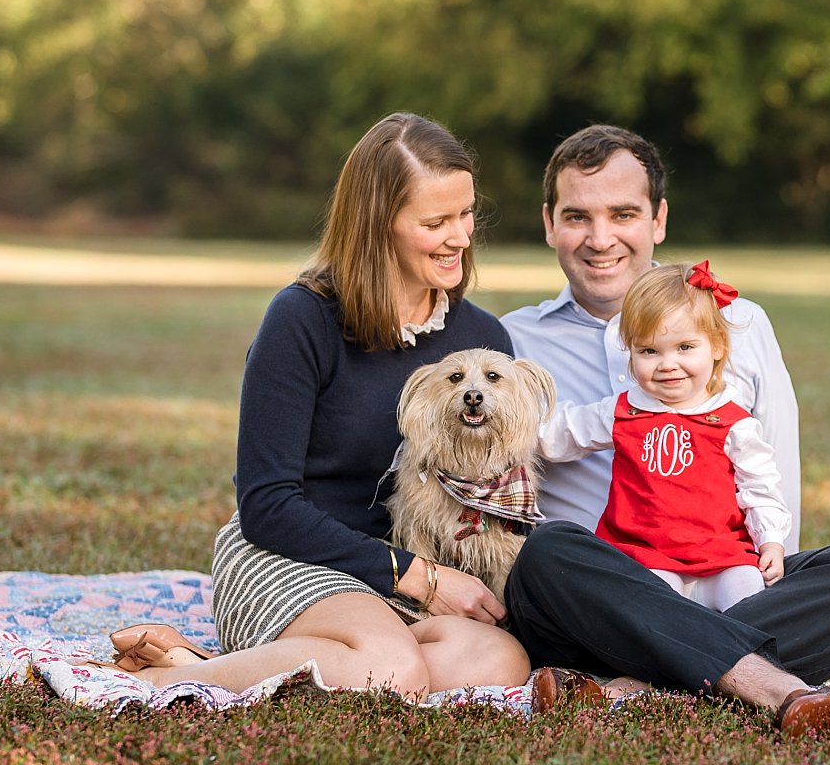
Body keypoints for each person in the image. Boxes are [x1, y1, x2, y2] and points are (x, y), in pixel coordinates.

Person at [104, 112, 530, 699]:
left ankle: (288, 662)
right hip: (290, 554)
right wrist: (419, 576)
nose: (461, 237)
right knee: (395, 669)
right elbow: (267, 504)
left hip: (403, 574)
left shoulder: (481, 341)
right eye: (437, 222)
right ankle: (177, 675)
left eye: (466, 213)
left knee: (498, 661)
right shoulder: (302, 320)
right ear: (378, 225)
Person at [502, 125, 830, 736]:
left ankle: (634, 686)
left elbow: (772, 465)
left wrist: (769, 557)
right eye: (577, 216)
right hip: (600, 594)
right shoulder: (513, 342)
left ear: (659, 218)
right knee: (546, 552)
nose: (600, 238)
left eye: (623, 213)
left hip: (725, 571)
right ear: (548, 223)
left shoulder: (740, 323)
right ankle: (768, 683)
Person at [537, 260, 792, 613]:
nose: (667, 363)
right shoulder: (624, 411)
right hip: (646, 555)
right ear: (631, 352)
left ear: (717, 346)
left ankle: (743, 657)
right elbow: (562, 433)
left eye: (685, 347)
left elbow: (760, 488)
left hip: (720, 555)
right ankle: (674, 657)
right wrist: (513, 424)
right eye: (649, 351)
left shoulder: (733, 421)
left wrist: (772, 541)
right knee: (653, 607)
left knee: (750, 595)